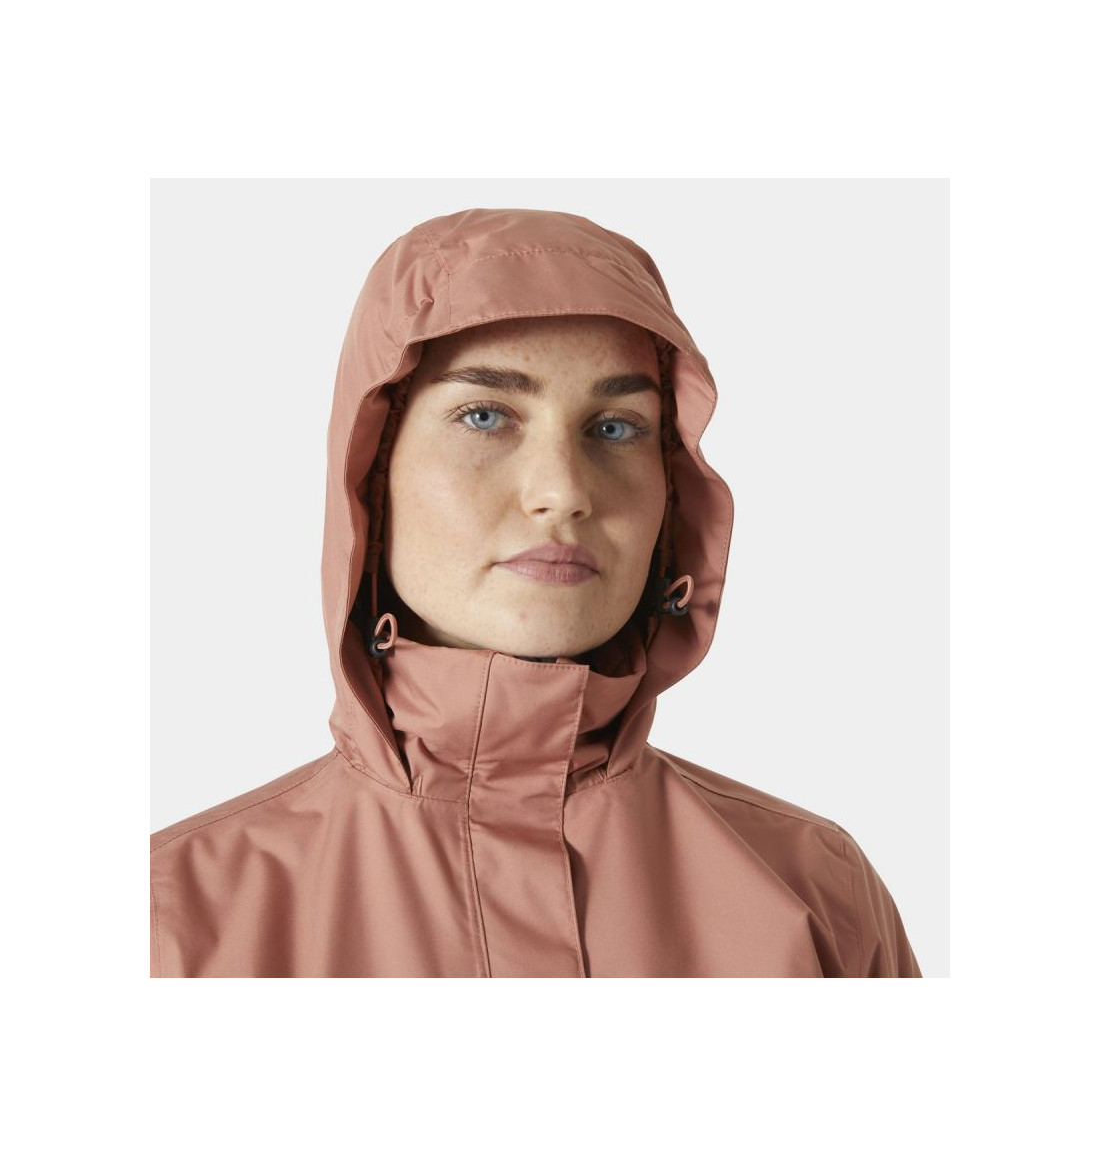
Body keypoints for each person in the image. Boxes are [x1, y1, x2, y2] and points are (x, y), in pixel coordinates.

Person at [150, 205, 922, 977]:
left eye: (615, 427)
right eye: (485, 416)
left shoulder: (816, 893)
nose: (563, 492)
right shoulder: (172, 920)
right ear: (371, 474)